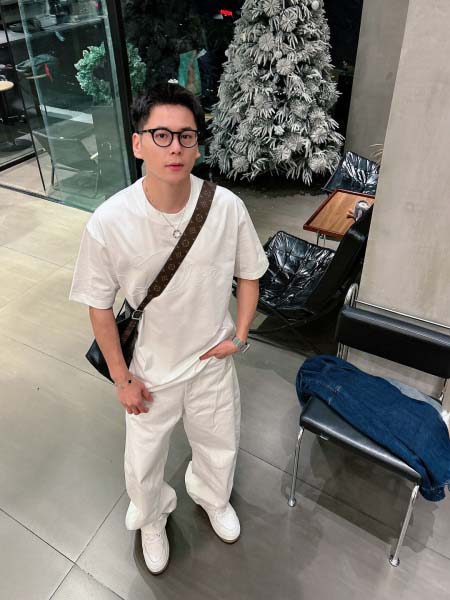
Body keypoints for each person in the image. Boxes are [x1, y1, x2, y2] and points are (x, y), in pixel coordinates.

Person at [69, 82, 268, 575]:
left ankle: (212, 496)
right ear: (138, 143)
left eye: (186, 136)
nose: (174, 147)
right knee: (143, 462)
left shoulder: (226, 207)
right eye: (161, 135)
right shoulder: (109, 222)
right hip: (150, 371)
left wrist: (240, 336)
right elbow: (99, 306)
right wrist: (122, 379)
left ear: (198, 144)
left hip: (211, 361)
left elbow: (250, 273)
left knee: (220, 443)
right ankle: (152, 517)